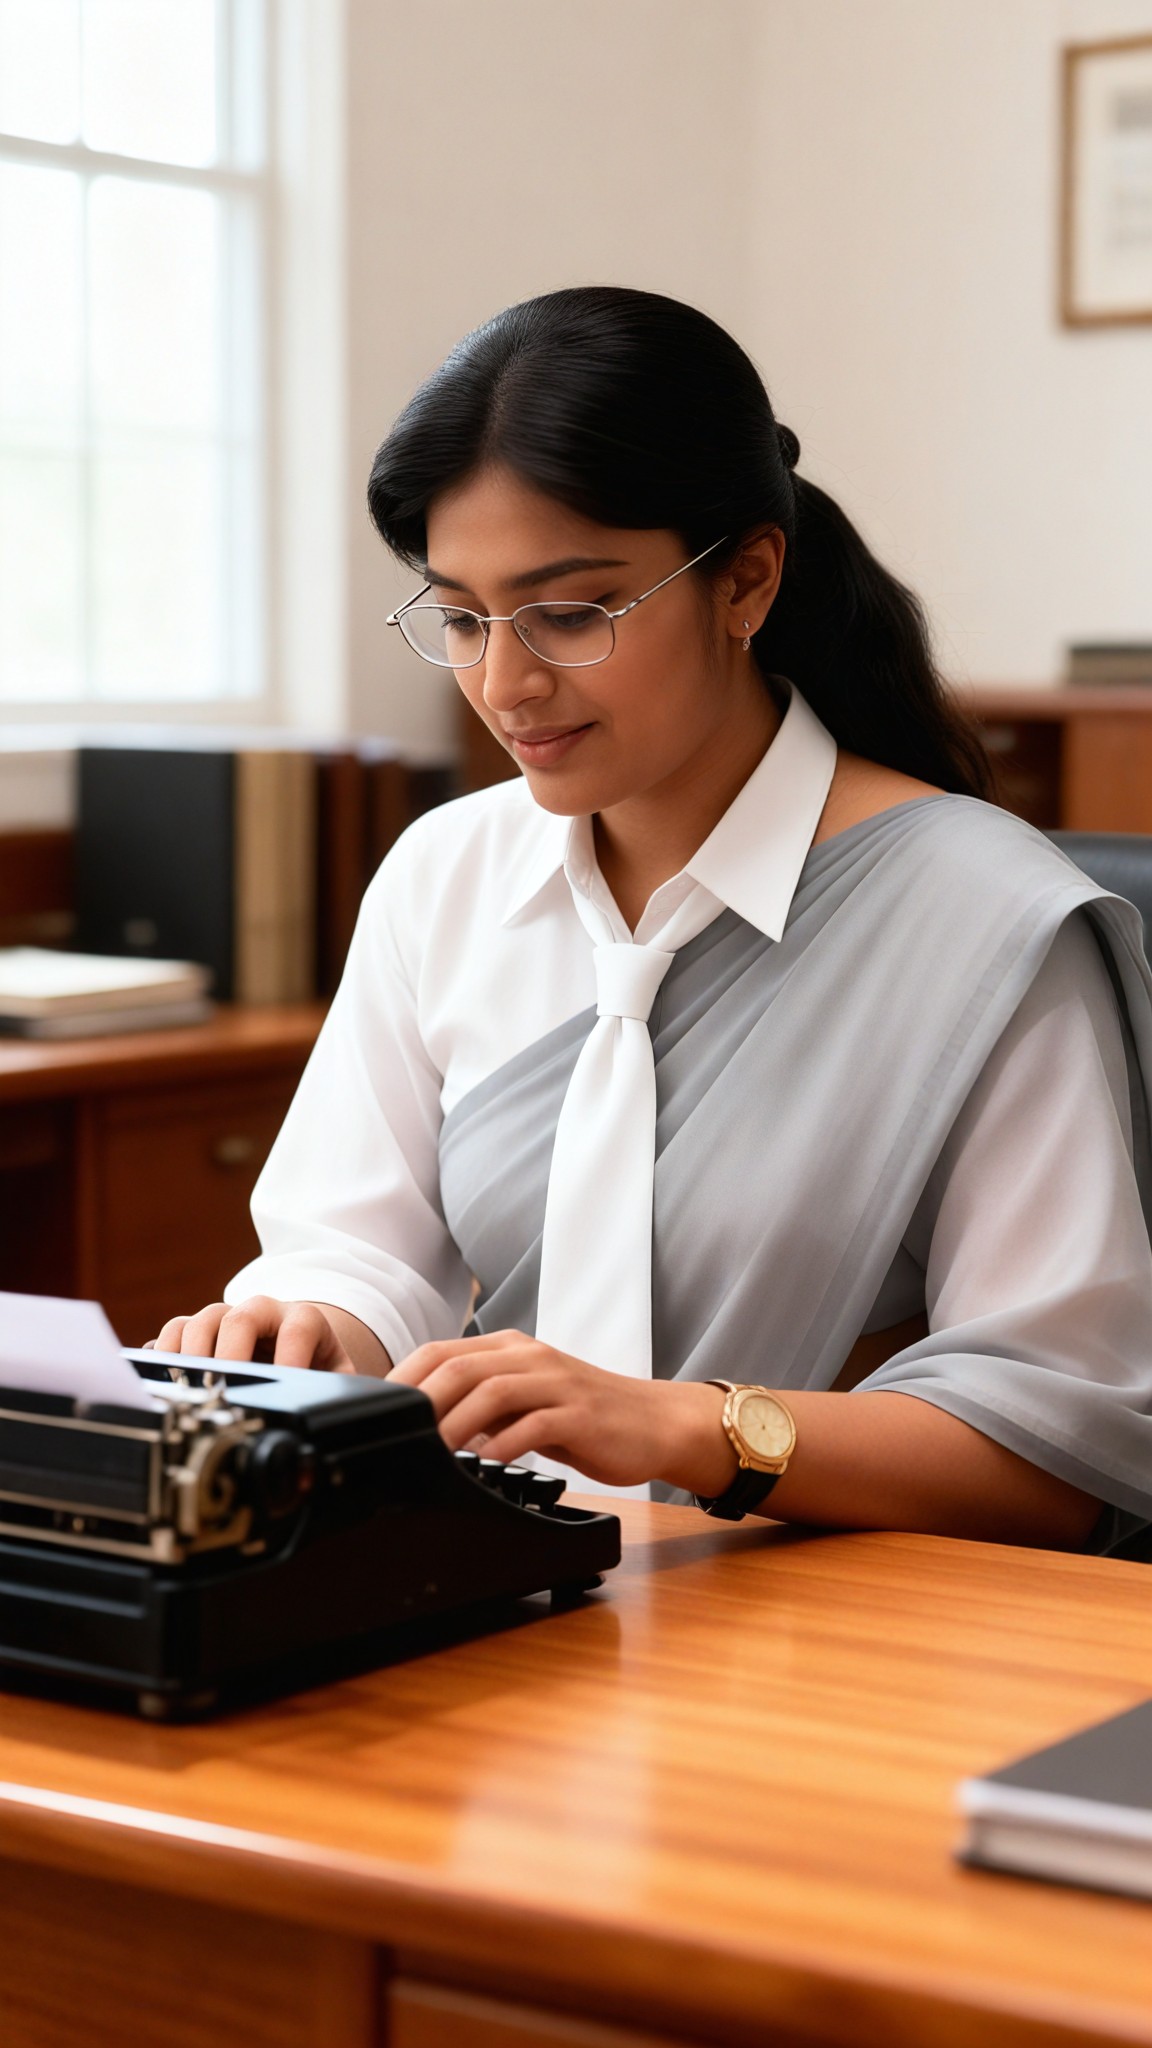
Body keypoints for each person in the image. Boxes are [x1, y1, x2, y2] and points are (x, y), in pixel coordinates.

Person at [155, 286, 1152, 1551]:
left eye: (571, 613)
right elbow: (361, 1250)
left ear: (745, 579)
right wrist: (302, 1324)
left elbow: (1055, 1448)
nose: (504, 684)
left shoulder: (991, 923)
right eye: (461, 617)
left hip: (836, 1625)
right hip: (503, 1587)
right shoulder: (444, 873)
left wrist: (684, 1428)